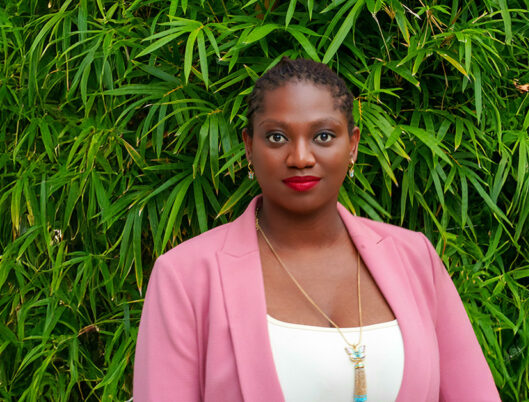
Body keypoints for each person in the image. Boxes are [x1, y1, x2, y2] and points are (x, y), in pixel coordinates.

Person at [133, 58, 500, 401]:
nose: (301, 157)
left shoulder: (413, 257)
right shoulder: (184, 276)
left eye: (323, 136)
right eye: (277, 137)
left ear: (353, 145)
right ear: (248, 146)